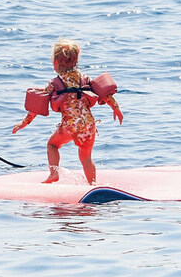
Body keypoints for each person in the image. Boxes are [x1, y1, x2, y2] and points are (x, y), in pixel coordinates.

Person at [12, 39, 123, 184]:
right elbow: (105, 93)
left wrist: (24, 122)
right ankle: (93, 184)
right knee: (86, 157)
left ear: (56, 63)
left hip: (70, 125)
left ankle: (54, 174)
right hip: (89, 125)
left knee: (52, 145)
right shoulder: (85, 79)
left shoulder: (54, 83)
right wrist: (116, 109)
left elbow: (39, 104)